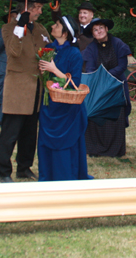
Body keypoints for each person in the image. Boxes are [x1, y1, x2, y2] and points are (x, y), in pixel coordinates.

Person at [0, 0, 51, 183]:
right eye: (38, 8)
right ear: (28, 8)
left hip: (36, 88)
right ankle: (4, 171)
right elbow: (13, 52)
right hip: (18, 89)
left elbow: (50, 48)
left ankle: (24, 167)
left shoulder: (40, 28)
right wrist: (20, 26)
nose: (40, 12)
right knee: (10, 133)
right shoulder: (8, 28)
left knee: (29, 134)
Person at [37, 15, 92, 181]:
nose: (53, 26)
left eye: (57, 25)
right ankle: (47, 175)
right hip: (50, 104)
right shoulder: (48, 49)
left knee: (66, 144)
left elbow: (74, 83)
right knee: (46, 140)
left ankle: (66, 175)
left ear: (65, 33)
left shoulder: (75, 53)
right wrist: (43, 72)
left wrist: (54, 70)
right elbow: (46, 79)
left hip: (68, 108)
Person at [81, 18, 132, 157]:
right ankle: (94, 148)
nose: (99, 31)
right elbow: (90, 67)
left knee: (116, 116)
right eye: (95, 30)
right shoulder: (91, 48)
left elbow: (122, 66)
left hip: (116, 85)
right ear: (92, 33)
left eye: (101, 28)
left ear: (106, 29)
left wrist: (106, 76)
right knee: (95, 113)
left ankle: (115, 149)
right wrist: (98, 78)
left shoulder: (118, 44)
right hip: (98, 85)